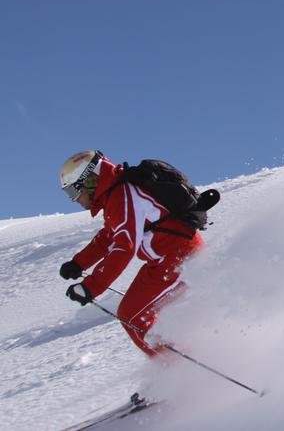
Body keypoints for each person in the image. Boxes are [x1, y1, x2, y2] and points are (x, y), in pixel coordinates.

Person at [58, 150, 204, 357]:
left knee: (132, 315)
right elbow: (109, 236)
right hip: (163, 261)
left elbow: (124, 247)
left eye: (74, 191)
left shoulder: (123, 196)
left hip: (181, 259)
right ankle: (172, 368)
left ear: (89, 180)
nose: (75, 199)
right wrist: (79, 263)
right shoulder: (116, 194)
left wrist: (91, 286)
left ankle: (177, 370)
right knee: (132, 314)